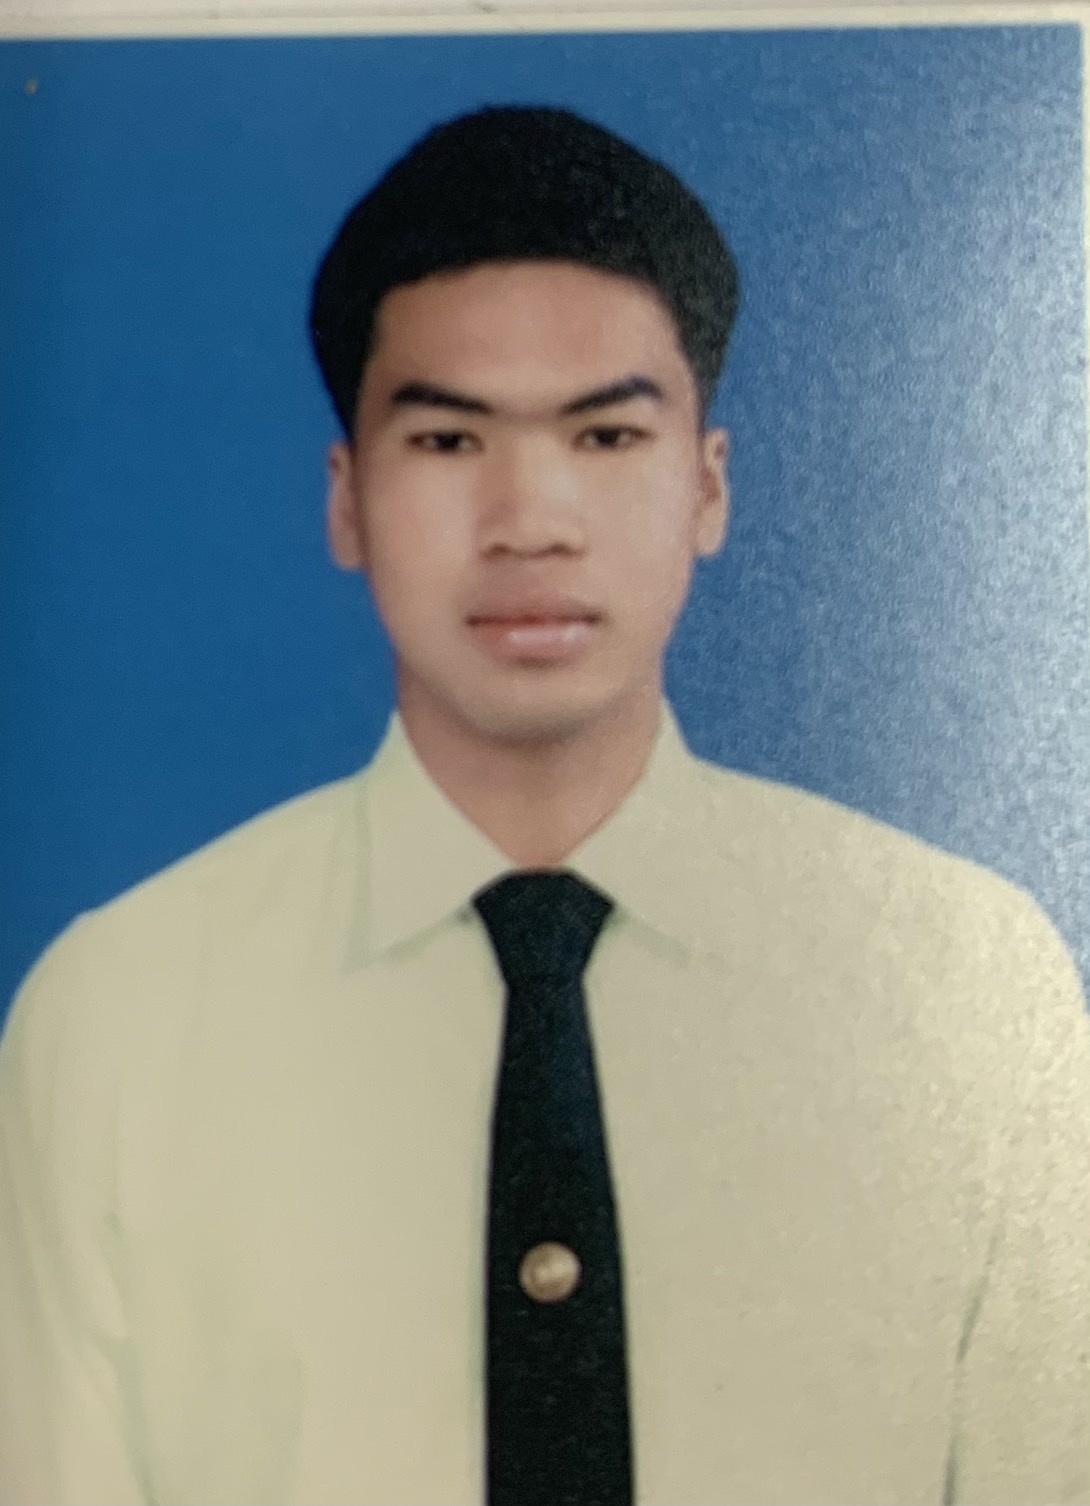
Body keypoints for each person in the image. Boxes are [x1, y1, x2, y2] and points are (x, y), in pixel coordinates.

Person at [0, 105, 1086, 1506]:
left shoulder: (969, 985)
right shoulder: (119, 1017)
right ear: (347, 500)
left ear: (707, 487)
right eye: (450, 440)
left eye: (607, 434)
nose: (530, 518)